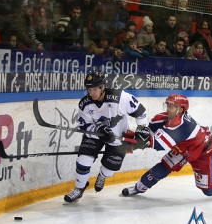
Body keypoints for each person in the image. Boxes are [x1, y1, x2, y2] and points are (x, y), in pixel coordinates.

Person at [121, 94, 212, 197]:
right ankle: (138, 188)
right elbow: (147, 135)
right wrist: (133, 138)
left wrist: (132, 143)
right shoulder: (161, 118)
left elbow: (156, 144)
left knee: (209, 191)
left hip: (203, 151)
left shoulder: (183, 126)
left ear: (181, 110)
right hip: (183, 148)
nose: (168, 110)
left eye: (171, 107)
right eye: (168, 106)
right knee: (162, 168)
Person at [64, 70, 150, 203]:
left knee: (109, 170)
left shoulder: (120, 97)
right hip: (95, 136)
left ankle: (103, 175)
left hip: (118, 136)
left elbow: (141, 112)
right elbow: (85, 126)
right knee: (83, 160)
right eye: (89, 89)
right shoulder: (84, 103)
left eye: (94, 89)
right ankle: (79, 188)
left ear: (102, 87)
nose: (91, 93)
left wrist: (142, 130)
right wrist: (98, 129)